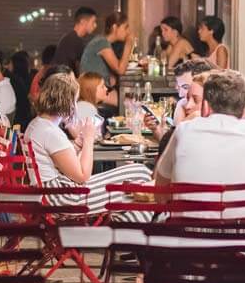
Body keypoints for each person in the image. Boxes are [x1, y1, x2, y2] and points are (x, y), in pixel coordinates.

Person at [154, 69, 245, 220]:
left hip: (190, 239)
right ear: (244, 108)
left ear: (206, 106)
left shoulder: (183, 131)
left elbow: (160, 195)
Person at [25, 73, 152, 216]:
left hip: (51, 193)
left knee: (139, 173)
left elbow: (58, 162)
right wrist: (89, 139)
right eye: (74, 100)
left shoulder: (37, 125)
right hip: (64, 198)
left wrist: (79, 145)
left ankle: (133, 229)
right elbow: (82, 176)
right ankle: (148, 229)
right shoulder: (50, 132)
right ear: (66, 101)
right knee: (141, 177)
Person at [81, 11, 134, 104]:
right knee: (130, 104)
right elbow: (120, 70)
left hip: (98, 88)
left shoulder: (103, 41)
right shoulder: (101, 43)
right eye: (125, 27)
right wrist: (129, 44)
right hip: (92, 91)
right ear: (114, 27)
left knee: (131, 98)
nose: (128, 32)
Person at [52, 6, 97, 71]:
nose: (95, 25)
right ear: (83, 21)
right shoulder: (73, 40)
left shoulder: (72, 38)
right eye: (93, 22)